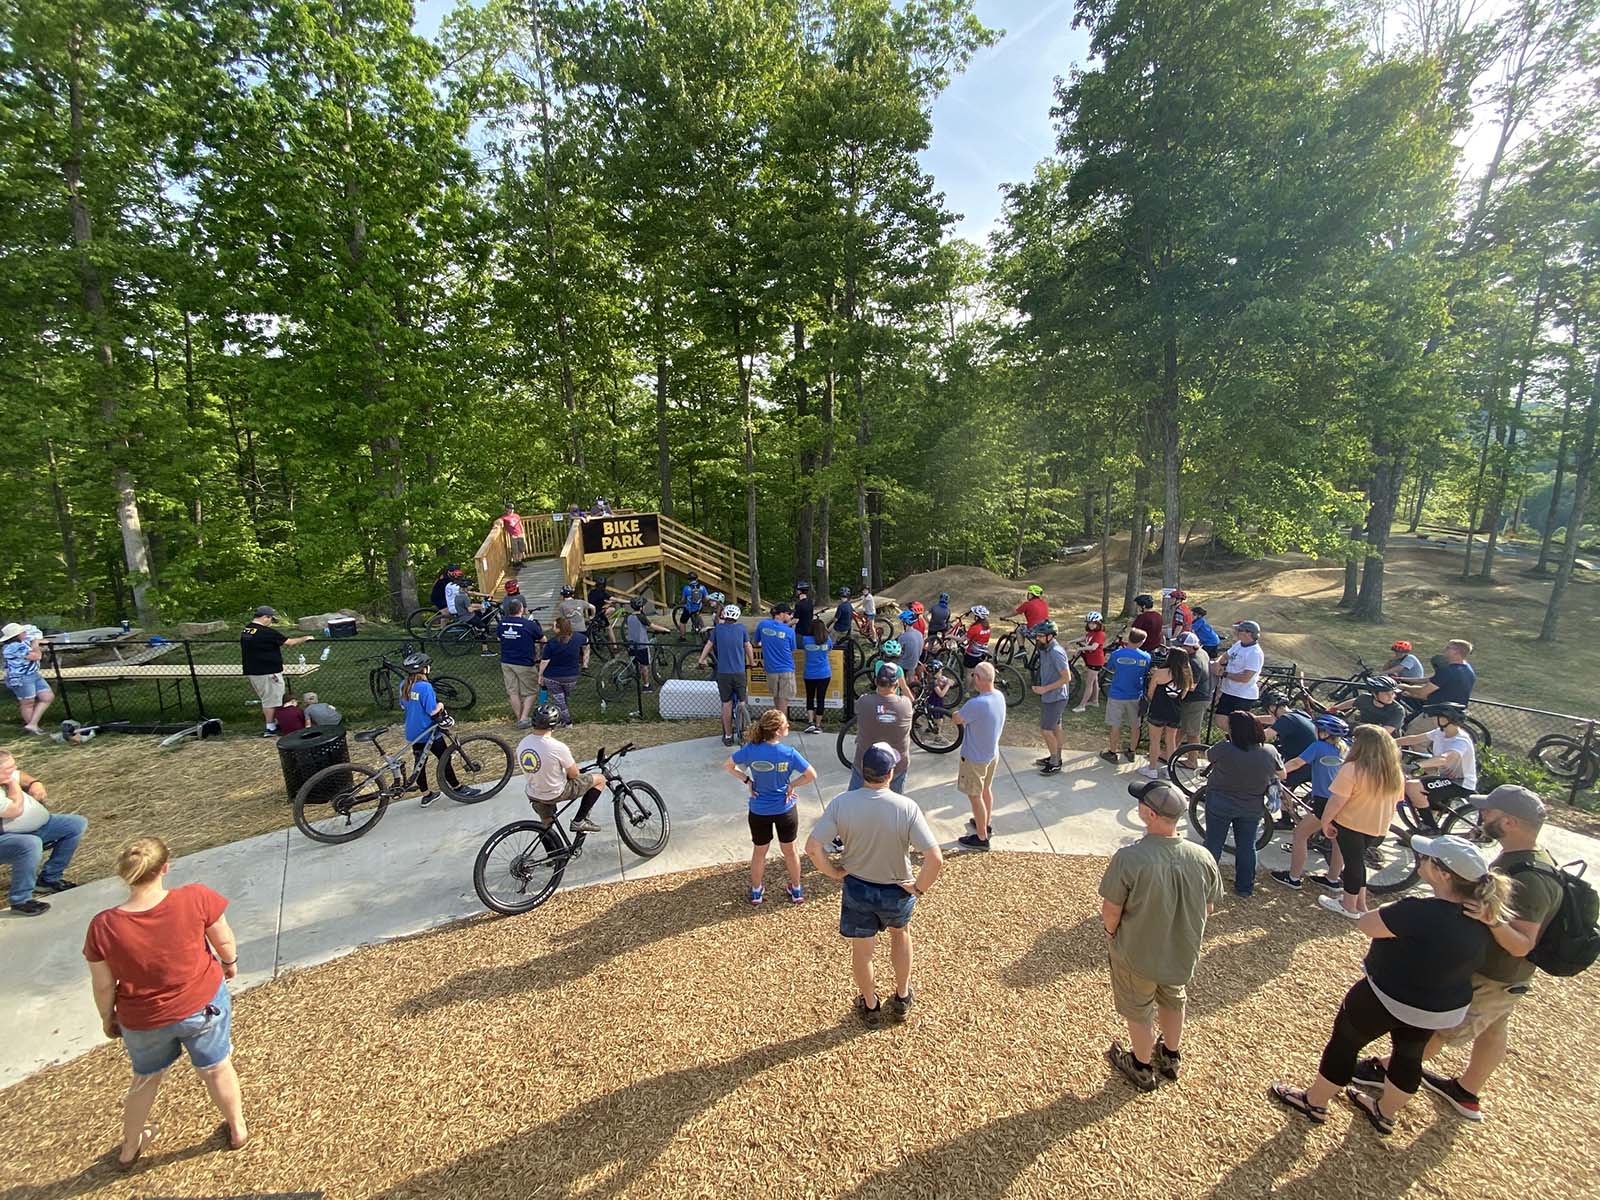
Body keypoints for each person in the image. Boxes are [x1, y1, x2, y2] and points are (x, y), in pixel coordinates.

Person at [1349, 785, 1564, 1122]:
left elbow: (1523, 944)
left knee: (1439, 1030)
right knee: (1493, 1028)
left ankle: (1387, 1074)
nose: (1481, 816)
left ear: (1509, 822)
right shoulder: (1522, 858)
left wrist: (1492, 921)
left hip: (1495, 974)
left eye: (1489, 812)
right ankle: (1466, 1091)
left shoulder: (1531, 880)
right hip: (1501, 975)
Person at [1269, 835, 1509, 1137]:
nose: (1420, 860)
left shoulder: (1418, 911)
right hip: (1437, 1008)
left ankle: (1315, 1102)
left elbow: (1367, 924)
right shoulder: (1486, 917)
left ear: (1443, 874)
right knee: (1409, 1055)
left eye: (1427, 858)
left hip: (1387, 996)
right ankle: (1385, 1112)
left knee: (1345, 1042)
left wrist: (1394, 907)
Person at [83, 836, 247, 1166]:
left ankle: (130, 1147)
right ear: (165, 868)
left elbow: (103, 985)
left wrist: (107, 1016)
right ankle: (237, 1128)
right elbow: (223, 938)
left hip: (143, 1019)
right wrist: (229, 962)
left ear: (124, 874)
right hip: (201, 1005)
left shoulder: (103, 925)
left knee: (145, 1079)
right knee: (216, 1068)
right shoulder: (196, 897)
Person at [804, 744, 944, 1025]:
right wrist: (918, 888)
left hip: (858, 887)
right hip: (896, 889)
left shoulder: (842, 803)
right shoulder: (907, 808)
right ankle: (902, 996)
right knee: (900, 935)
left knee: (863, 950)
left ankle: (870, 1005)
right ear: (890, 773)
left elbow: (812, 848)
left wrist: (833, 873)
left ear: (861, 770)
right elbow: (935, 859)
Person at [1100, 779, 1224, 1091]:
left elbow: (1111, 910)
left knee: (1139, 1009)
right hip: (1181, 951)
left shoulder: (1130, 858)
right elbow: (1208, 908)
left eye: (1142, 804)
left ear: (1150, 814)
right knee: (1173, 998)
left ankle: (1141, 1065)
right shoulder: (1202, 856)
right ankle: (1170, 1055)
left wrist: (1111, 934)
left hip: (1138, 952)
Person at [725, 708, 816, 905]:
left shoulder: (751, 750)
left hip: (759, 811)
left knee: (759, 853)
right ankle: (796, 889)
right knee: (790, 851)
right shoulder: (789, 753)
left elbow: (728, 765)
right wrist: (792, 785)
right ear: (777, 730)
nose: (788, 725)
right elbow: (811, 775)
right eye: (785, 723)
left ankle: (756, 891)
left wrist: (747, 780)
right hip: (786, 810)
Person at [1315, 722, 1402, 919]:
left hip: (1351, 823)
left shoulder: (1352, 769)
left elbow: (1337, 801)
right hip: (1377, 826)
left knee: (1352, 865)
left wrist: (1326, 822)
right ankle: (1359, 903)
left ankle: (1348, 905)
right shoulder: (1394, 772)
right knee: (1357, 862)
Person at [1270, 715, 1359, 896]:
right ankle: (1332, 879)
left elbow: (1297, 762)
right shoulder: (1346, 747)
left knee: (1300, 834)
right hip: (1344, 800)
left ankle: (1294, 877)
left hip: (1325, 801)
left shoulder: (1318, 746)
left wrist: (1278, 771)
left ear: (1324, 733)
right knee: (1337, 842)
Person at [1201, 711, 1284, 897]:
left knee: (1213, 844)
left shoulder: (1224, 749)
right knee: (1247, 846)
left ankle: (1205, 884)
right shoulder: (1269, 751)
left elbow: (1208, 755)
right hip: (1251, 806)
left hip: (1219, 802)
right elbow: (1282, 774)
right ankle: (1245, 887)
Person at [0, 751, 85, 915]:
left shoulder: (6, 774)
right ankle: (21, 900)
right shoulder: (7, 779)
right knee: (30, 844)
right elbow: (14, 810)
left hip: (34, 828)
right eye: (10, 768)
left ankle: (49, 879)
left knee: (75, 824)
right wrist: (12, 783)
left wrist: (34, 783)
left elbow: (20, 775)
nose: (15, 769)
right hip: (5, 839)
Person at [517, 704, 605, 834]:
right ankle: (580, 821)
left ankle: (550, 843)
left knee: (546, 826)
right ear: (554, 725)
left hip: (534, 792)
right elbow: (574, 775)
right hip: (555, 792)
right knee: (600, 779)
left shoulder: (523, 743)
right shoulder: (557, 747)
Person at [1397, 703, 1477, 828]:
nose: (1433, 719)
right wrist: (1387, 742)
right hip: (1446, 779)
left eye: (1436, 717)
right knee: (1416, 783)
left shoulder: (1461, 741)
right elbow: (1413, 739)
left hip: (1460, 783)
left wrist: (1417, 765)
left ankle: (1429, 827)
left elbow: (1444, 759)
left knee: (1412, 786)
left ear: (1445, 719)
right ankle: (1430, 816)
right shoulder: (1440, 732)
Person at [955, 661, 1007, 850]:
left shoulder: (976, 704)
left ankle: (981, 837)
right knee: (986, 789)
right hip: (991, 754)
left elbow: (958, 718)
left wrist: (956, 713)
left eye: (973, 675)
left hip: (974, 758)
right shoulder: (998, 696)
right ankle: (985, 822)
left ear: (977, 678)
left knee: (974, 795)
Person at [239, 607, 314, 738]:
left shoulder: (247, 630)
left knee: (267, 698)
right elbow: (289, 642)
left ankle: (276, 723)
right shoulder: (266, 632)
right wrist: (305, 638)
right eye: (271, 619)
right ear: (265, 617)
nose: (271, 622)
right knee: (271, 700)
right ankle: (270, 728)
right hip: (268, 671)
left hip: (252, 670)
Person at [401, 652, 459, 805]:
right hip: (428, 731)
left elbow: (403, 705)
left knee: (419, 764)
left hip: (413, 732)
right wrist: (441, 705)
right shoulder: (425, 687)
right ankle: (457, 787)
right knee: (445, 758)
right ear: (424, 669)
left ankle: (426, 794)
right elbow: (432, 711)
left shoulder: (404, 685)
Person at [851, 663, 912, 792]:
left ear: (875, 681)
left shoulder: (863, 702)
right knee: (894, 802)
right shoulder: (906, 704)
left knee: (853, 800)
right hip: (896, 766)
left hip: (865, 765)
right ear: (896, 685)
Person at [700, 604, 754, 747]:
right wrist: (752, 661)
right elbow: (748, 646)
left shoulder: (718, 629)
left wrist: (702, 659)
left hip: (723, 673)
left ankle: (728, 735)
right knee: (742, 702)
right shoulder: (742, 629)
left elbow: (709, 645)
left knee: (726, 704)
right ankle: (743, 732)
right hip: (739, 672)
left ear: (724, 615)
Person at [1139, 646, 1192, 780]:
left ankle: (1152, 768)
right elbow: (1183, 695)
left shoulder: (1160, 672)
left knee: (1155, 740)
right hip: (1174, 712)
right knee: (1171, 741)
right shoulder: (1186, 676)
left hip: (1158, 710)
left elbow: (1150, 692)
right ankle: (1170, 770)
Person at [1100, 628, 1151, 765]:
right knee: (1135, 725)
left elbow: (1110, 667)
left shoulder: (1117, 654)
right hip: (1135, 695)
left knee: (1115, 725)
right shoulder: (1146, 657)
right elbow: (1146, 671)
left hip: (1116, 694)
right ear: (1141, 642)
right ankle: (1132, 751)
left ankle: (1112, 752)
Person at [1030, 621, 1072, 776]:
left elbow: (1067, 678)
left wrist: (1045, 689)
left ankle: (1055, 763)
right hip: (1051, 696)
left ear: (1050, 636)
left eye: (1041, 636)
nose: (1038, 639)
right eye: (1037, 636)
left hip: (1055, 697)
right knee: (1056, 727)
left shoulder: (1056, 652)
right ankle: (1056, 756)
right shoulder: (1044, 649)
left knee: (1046, 730)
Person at [498, 596, 546, 726]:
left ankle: (519, 718)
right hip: (524, 662)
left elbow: (499, 638)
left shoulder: (502, 624)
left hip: (506, 661)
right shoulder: (529, 625)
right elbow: (543, 639)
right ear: (521, 609)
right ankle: (523, 718)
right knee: (531, 691)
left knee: (513, 691)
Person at [2, 622, 54, 735]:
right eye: (22, 632)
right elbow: (36, 656)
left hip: (33, 674)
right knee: (28, 703)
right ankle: (33, 727)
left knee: (47, 696)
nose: (25, 633)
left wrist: (37, 640)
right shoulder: (14, 647)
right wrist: (35, 643)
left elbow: (33, 643)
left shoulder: (21, 643)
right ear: (16, 635)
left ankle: (32, 724)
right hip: (21, 677)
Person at [1257, 692, 1315, 788]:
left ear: (1272, 708)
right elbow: (1273, 720)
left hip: (1299, 766)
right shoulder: (1299, 714)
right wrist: (1252, 718)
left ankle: (1283, 797)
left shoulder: (1286, 719)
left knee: (1276, 782)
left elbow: (1261, 737)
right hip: (1312, 762)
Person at [539, 617, 585, 728]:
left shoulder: (552, 643)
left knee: (559, 700)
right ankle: (562, 719)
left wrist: (540, 675)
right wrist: (585, 660)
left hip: (552, 677)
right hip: (571, 676)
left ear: (559, 629)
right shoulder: (578, 638)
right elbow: (587, 643)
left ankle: (567, 722)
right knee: (564, 700)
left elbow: (545, 661)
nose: (552, 628)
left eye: (554, 626)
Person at [1402, 638, 1476, 706]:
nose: (1444, 650)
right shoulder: (1468, 669)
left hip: (1437, 709)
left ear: (1456, 652)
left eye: (1448, 648)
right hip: (1456, 709)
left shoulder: (1447, 671)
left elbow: (1422, 692)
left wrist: (1404, 687)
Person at [1212, 620, 1263, 716]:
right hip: (1229, 691)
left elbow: (1245, 678)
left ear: (1249, 633)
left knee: (1235, 722)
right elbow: (1225, 656)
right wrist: (1217, 663)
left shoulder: (1255, 653)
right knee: (1220, 718)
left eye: (1239, 630)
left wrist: (1224, 674)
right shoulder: (1239, 644)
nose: (1236, 632)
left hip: (1242, 695)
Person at [756, 604, 800, 717]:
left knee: (776, 697)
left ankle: (777, 720)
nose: (791, 616)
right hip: (786, 668)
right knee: (784, 699)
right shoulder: (789, 631)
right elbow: (793, 649)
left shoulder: (763, 625)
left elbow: (756, 642)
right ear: (782, 614)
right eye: (789, 614)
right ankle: (781, 723)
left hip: (770, 669)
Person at [1333, 674, 1406, 736]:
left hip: (1382, 741)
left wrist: (1357, 727)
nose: (1391, 697)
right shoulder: (1365, 698)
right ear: (1374, 693)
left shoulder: (1397, 710)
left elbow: (1383, 733)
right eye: (1386, 694)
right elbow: (1350, 703)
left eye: (1392, 693)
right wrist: (1333, 709)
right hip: (1363, 732)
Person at [1173, 632, 1211, 749]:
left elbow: (1191, 686)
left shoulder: (1193, 662)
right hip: (1197, 698)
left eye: (1181, 646)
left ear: (1190, 647)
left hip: (1195, 700)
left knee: (1192, 732)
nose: (1178, 648)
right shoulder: (1202, 653)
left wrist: (1173, 688)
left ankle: (1193, 758)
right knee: (1182, 728)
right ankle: (1169, 752)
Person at [625, 596, 671, 692]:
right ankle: (646, 685)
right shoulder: (641, 617)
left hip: (631, 644)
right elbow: (652, 626)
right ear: (641, 607)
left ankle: (636, 674)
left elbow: (637, 627)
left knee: (636, 662)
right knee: (644, 665)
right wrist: (665, 629)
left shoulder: (629, 617)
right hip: (641, 645)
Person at [1068, 611, 1106, 713]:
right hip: (1090, 660)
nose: (1091, 625)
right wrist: (1072, 641)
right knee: (1094, 681)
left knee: (1089, 683)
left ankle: (1082, 705)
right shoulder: (1091, 632)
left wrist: (1080, 649)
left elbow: (1093, 647)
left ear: (1099, 623)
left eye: (1093, 623)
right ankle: (1094, 701)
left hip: (1096, 661)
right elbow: (1085, 638)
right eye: (1089, 623)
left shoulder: (1100, 634)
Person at [800, 619, 833, 734]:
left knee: (810, 697)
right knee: (820, 699)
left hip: (809, 673)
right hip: (824, 673)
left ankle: (810, 723)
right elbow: (829, 650)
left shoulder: (806, 640)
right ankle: (818, 725)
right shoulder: (827, 640)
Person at [555, 585, 595, 668]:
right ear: (572, 594)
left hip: (570, 631)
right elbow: (593, 607)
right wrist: (592, 616)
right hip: (582, 629)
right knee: (586, 647)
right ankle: (585, 665)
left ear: (562, 595)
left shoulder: (561, 605)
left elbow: (562, 619)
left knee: (571, 647)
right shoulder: (580, 602)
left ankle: (573, 663)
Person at [588, 577, 616, 652]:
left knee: (611, 609)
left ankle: (603, 622)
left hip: (592, 613)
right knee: (609, 627)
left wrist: (607, 602)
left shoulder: (592, 592)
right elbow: (613, 599)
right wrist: (628, 601)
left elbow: (598, 600)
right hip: (598, 613)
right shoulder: (603, 592)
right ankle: (615, 646)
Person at [895, 612, 924, 684]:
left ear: (905, 623)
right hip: (915, 661)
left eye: (902, 622)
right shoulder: (919, 633)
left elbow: (897, 651)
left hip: (905, 663)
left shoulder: (903, 637)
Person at [962, 605, 992, 670]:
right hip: (983, 652)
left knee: (969, 672)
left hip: (972, 654)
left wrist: (950, 636)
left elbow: (962, 640)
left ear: (977, 617)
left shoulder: (974, 628)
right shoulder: (987, 627)